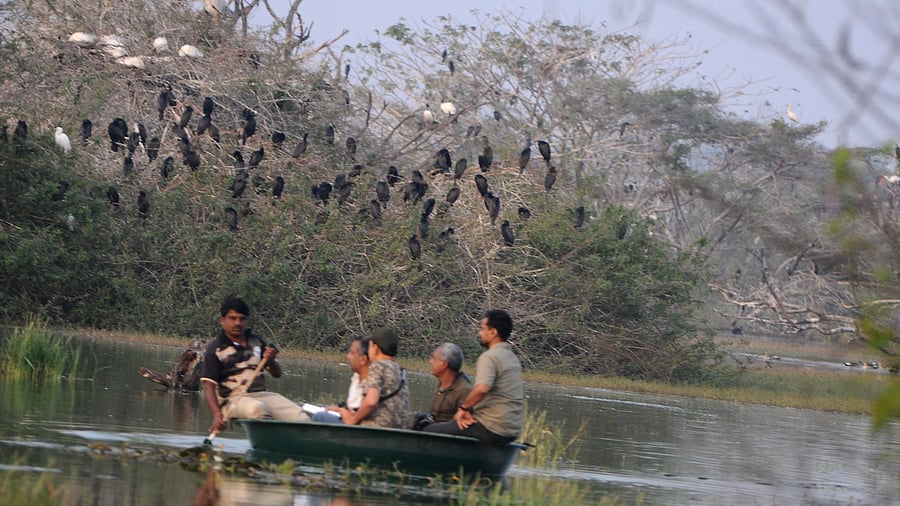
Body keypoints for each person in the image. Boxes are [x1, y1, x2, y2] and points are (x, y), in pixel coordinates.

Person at [201, 297, 308, 436]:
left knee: (300, 417)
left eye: (242, 319)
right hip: (231, 399)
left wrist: (271, 360)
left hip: (261, 394)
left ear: (247, 321)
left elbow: (277, 374)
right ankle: (267, 444)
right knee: (257, 410)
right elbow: (208, 386)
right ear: (222, 320)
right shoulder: (215, 349)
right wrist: (216, 414)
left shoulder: (256, 341)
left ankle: (294, 444)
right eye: (232, 318)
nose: (237, 323)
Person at [424, 309, 524, 444]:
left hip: (491, 427)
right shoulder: (512, 358)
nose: (479, 333)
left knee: (429, 431)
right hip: (511, 431)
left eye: (482, 329)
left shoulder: (490, 357)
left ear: (493, 332)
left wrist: (463, 409)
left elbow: (482, 388)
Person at [334, 327, 410, 428]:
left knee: (322, 417)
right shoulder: (400, 370)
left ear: (376, 348)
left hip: (376, 429)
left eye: (369, 346)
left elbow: (371, 402)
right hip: (399, 430)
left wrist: (353, 419)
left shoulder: (377, 366)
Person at [412, 342, 472, 430]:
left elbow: (462, 424)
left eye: (434, 358)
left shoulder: (464, 390)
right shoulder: (442, 384)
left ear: (444, 364)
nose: (430, 362)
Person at [311, 335, 370, 423]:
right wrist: (340, 410)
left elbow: (367, 409)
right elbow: (352, 407)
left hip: (358, 425)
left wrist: (352, 417)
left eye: (352, 353)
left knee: (320, 417)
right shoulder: (356, 377)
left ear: (363, 359)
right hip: (349, 419)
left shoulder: (372, 381)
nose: (348, 357)